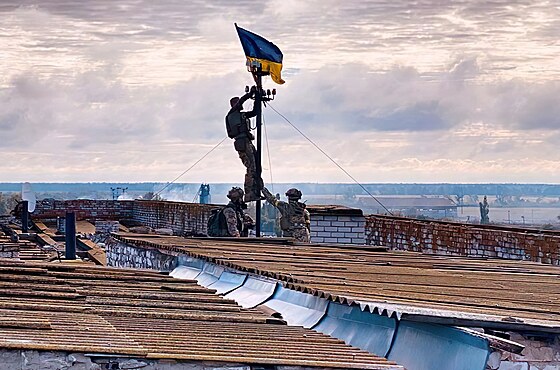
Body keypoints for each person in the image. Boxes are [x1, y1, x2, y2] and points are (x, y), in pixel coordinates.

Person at [226, 87, 263, 202]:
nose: (240, 104)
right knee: (251, 167)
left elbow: (254, 113)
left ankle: (257, 191)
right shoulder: (231, 114)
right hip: (242, 143)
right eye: (237, 102)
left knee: (257, 166)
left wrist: (257, 98)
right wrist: (249, 94)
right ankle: (249, 194)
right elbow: (240, 102)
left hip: (247, 142)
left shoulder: (240, 115)